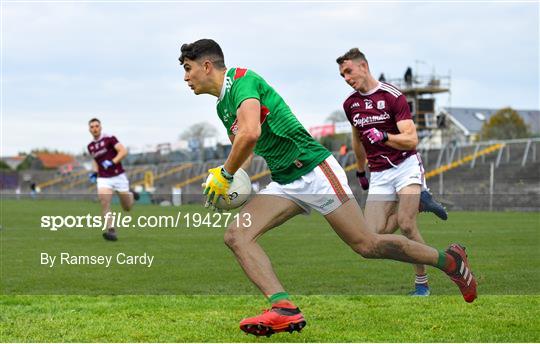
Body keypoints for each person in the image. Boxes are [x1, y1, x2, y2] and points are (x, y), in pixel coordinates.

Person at [179, 39, 477, 337]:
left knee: (367, 245)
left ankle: (450, 261)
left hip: (315, 171)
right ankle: (284, 308)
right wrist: (224, 184)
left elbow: (251, 132)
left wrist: (226, 172)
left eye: (188, 69)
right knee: (236, 235)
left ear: (207, 66)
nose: (186, 78)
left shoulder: (243, 80)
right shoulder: (223, 106)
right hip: (286, 181)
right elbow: (244, 152)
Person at [338, 48, 449, 296]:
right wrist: (359, 171)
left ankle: (422, 284)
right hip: (379, 173)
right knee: (372, 236)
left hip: (405, 166)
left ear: (364, 66)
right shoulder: (350, 104)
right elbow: (357, 139)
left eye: (348, 71)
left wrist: (385, 136)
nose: (346, 78)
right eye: (342, 75)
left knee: (406, 225)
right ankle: (418, 201)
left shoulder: (393, 96)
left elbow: (411, 140)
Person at [87, 118, 138, 241]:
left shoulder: (109, 139)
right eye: (92, 127)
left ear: (101, 127)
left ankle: (131, 194)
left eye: (97, 126)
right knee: (104, 203)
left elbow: (123, 151)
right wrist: (95, 172)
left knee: (127, 207)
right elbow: (95, 160)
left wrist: (112, 162)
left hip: (118, 175)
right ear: (89, 129)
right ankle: (111, 231)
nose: (94, 128)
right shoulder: (90, 146)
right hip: (104, 178)